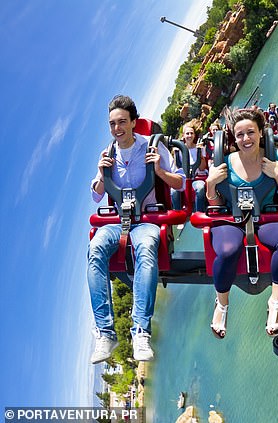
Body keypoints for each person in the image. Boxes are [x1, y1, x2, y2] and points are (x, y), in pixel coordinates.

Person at [88, 95, 186, 363]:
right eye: (112, 124)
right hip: (118, 222)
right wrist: (101, 174)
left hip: (146, 220)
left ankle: (141, 330)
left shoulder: (152, 146)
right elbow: (96, 195)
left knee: (146, 246)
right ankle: (105, 332)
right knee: (95, 249)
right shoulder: (108, 154)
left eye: (122, 122)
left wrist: (160, 171)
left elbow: (180, 183)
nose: (117, 128)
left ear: (133, 122)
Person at [205, 108, 278, 339]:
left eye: (251, 132)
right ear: (233, 138)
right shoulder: (223, 163)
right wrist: (211, 184)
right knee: (228, 249)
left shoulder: (276, 158)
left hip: (264, 218)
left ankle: (275, 303)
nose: (246, 139)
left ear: (260, 133)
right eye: (240, 135)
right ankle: (222, 305)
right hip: (232, 221)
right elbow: (216, 204)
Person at [171, 121, 208, 212]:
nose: (189, 135)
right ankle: (178, 214)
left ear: (194, 135)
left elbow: (202, 168)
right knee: (173, 191)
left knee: (200, 188)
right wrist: (175, 154)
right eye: (187, 133)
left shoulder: (199, 148)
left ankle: (199, 212)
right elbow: (176, 167)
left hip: (196, 177)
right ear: (183, 135)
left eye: (191, 133)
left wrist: (200, 153)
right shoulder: (179, 150)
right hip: (184, 178)